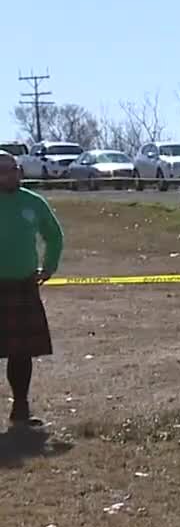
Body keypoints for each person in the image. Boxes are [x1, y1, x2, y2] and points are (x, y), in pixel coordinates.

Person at [0, 151, 63, 428]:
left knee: (21, 352)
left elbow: (54, 235)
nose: (8, 175)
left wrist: (48, 266)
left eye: (12, 169)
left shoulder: (33, 202)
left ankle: (21, 409)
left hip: (22, 284)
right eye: (2, 170)